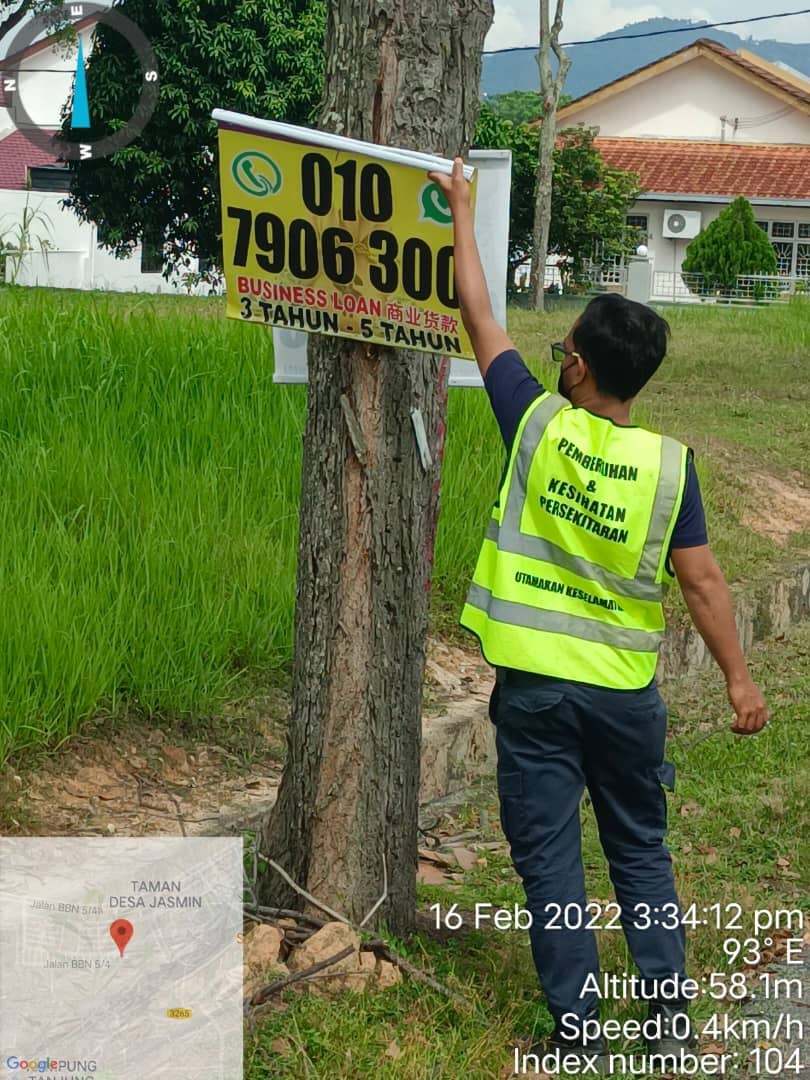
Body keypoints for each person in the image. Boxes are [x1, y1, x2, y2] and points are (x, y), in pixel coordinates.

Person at [427, 159, 769, 1067]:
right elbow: (704, 584)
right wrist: (739, 681)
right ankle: (668, 1025)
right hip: (624, 698)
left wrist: (461, 211)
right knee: (641, 855)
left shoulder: (535, 423)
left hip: (536, 694)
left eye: (562, 349)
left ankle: (577, 1034)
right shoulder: (670, 467)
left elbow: (478, 315)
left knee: (551, 866)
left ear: (576, 365)